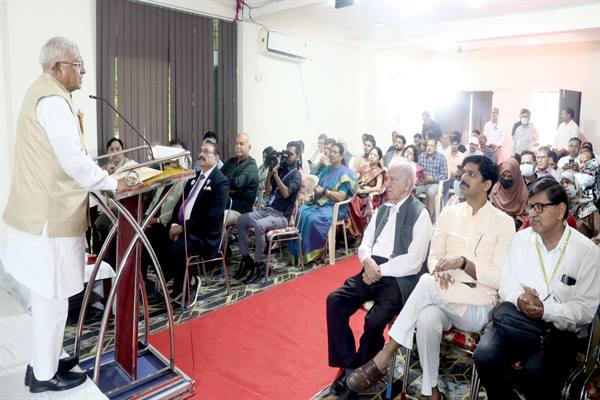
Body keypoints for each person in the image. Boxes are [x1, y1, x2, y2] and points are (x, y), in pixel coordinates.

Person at [2, 36, 125, 393]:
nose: (83, 71)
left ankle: (46, 361)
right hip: (48, 220)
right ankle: (44, 375)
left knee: (51, 298)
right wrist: (112, 183)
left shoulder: (44, 93)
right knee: (51, 299)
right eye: (78, 64)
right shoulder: (53, 101)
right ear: (58, 68)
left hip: (42, 218)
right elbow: (73, 161)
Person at [347, 156, 515, 400]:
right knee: (426, 318)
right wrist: (440, 270)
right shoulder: (449, 213)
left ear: (487, 185)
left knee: (426, 282)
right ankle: (432, 391)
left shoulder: (504, 223)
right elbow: (434, 257)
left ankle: (386, 353)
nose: (463, 178)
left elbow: (499, 277)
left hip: (477, 304)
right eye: (464, 172)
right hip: (442, 292)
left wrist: (464, 264)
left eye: (472, 174)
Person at [474, 178, 600, 400]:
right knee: (484, 355)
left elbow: (585, 310)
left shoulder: (587, 252)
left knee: (536, 373)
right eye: (530, 206)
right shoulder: (522, 239)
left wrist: (545, 311)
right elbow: (507, 281)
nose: (531, 214)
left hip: (559, 330)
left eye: (539, 207)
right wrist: (519, 298)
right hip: (517, 320)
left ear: (560, 210)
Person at [326, 162, 433, 399]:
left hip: (399, 278)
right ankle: (349, 366)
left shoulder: (421, 213)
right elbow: (365, 242)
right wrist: (367, 261)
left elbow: (414, 262)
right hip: (372, 268)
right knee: (335, 300)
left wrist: (379, 270)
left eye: (393, 179)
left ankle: (362, 372)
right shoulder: (382, 208)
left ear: (408, 184)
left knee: (375, 320)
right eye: (387, 179)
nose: (387, 184)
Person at [165, 141, 229, 302]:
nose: (201, 154)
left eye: (206, 152)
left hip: (204, 235)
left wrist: (183, 228)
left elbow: (212, 216)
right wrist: (174, 224)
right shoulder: (193, 177)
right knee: (155, 236)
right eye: (201, 151)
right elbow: (179, 204)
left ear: (216, 157)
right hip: (186, 229)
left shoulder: (220, 181)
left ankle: (187, 284)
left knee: (175, 248)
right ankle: (181, 279)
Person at [235, 142, 303, 283]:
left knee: (259, 225)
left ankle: (259, 264)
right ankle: (246, 259)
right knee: (241, 219)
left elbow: (285, 194)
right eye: (286, 152)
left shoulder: (296, 175)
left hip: (282, 216)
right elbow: (267, 191)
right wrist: (271, 172)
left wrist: (276, 175)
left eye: (290, 154)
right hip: (268, 211)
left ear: (297, 157)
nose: (286, 156)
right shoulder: (281, 169)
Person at [290, 143, 357, 264]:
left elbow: (341, 197)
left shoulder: (346, 173)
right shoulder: (326, 169)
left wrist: (325, 191)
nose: (332, 154)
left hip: (335, 207)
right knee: (301, 212)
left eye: (335, 152)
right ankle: (298, 253)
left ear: (341, 156)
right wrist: (317, 190)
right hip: (321, 204)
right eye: (331, 151)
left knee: (312, 219)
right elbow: (320, 186)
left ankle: (315, 253)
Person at [347, 147, 386, 238]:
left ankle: (357, 232)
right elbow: (357, 181)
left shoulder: (379, 172)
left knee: (354, 201)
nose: (372, 156)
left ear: (379, 159)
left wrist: (367, 190)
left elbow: (378, 188)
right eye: (371, 154)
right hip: (359, 193)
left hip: (368, 196)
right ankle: (349, 232)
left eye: (375, 155)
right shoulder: (363, 168)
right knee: (349, 198)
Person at [221, 132, 259, 226]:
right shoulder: (231, 162)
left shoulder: (251, 166)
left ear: (249, 147)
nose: (238, 146)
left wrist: (226, 185)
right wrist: (229, 187)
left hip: (240, 210)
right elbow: (217, 177)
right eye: (236, 144)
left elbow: (237, 184)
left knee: (217, 219)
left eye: (241, 144)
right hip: (224, 204)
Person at [561, 170, 600, 244]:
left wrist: (589, 245)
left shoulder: (588, 209)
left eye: (568, 182)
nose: (564, 186)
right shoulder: (559, 209)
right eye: (562, 184)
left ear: (576, 185)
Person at [490, 158, 529, 224]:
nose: (506, 178)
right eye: (503, 175)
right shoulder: (494, 191)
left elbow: (526, 216)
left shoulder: (523, 195)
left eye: (510, 176)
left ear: (516, 177)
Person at [417, 138, 448, 219]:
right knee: (414, 191)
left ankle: (430, 217)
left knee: (430, 192)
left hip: (437, 184)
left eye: (432, 146)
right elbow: (418, 171)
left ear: (435, 147)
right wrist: (421, 178)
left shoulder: (441, 157)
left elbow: (445, 175)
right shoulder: (422, 156)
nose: (429, 148)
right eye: (428, 145)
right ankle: (417, 215)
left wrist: (433, 178)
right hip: (424, 183)